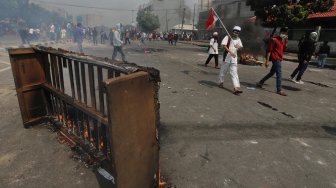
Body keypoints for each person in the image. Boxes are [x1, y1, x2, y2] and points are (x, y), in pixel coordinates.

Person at [256, 27, 288, 96]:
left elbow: (285, 48)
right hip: (275, 58)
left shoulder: (282, 40)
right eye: (283, 33)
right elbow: (269, 51)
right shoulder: (274, 39)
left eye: (285, 33)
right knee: (279, 73)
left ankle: (260, 82)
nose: (284, 34)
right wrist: (267, 61)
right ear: (280, 32)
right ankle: (279, 89)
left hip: (279, 58)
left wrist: (286, 41)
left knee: (272, 73)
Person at [218, 26, 243, 94]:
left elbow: (240, 47)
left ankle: (236, 88)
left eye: (237, 32)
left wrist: (238, 47)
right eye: (235, 31)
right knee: (223, 71)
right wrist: (231, 52)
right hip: (226, 58)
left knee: (234, 73)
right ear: (233, 31)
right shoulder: (228, 37)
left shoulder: (238, 39)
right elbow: (224, 45)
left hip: (234, 59)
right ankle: (221, 82)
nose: (236, 33)